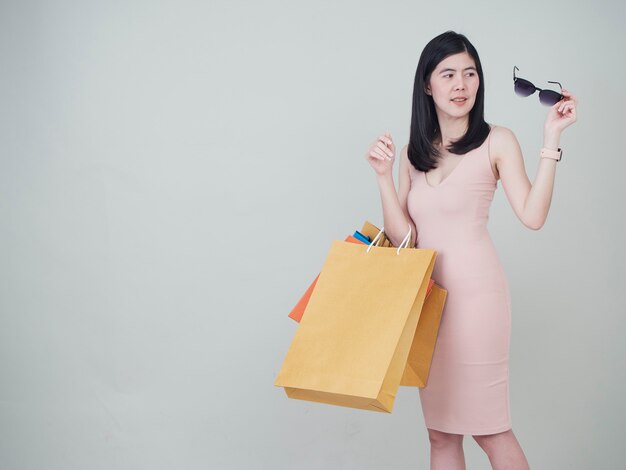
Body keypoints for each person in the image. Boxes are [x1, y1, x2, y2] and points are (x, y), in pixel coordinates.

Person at [365, 31, 577, 470]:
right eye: (448, 74)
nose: (461, 84)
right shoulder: (411, 154)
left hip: (478, 300)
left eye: (470, 73)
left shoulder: (497, 140)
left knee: (489, 428)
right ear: (428, 85)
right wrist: (384, 178)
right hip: (428, 303)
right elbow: (404, 240)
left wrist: (551, 138)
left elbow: (533, 216)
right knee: (440, 434)